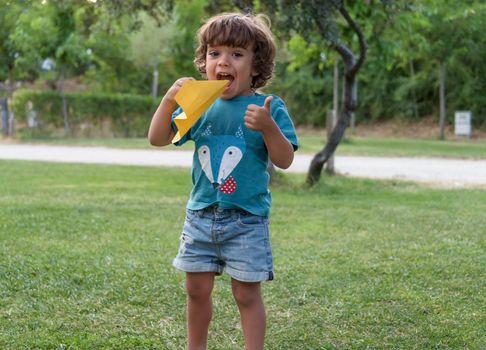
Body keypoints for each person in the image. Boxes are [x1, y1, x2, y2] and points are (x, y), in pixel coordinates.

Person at [148, 12, 298, 350]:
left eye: (236, 54)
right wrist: (169, 99)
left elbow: (285, 160)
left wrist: (269, 128)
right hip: (200, 215)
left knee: (246, 293)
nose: (223, 61)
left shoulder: (268, 107)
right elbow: (158, 137)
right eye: (215, 53)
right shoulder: (199, 104)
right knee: (196, 290)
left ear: (256, 66)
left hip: (246, 219)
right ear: (204, 62)